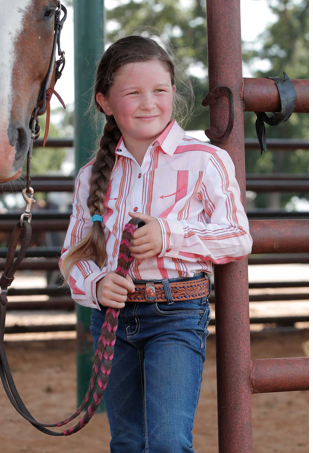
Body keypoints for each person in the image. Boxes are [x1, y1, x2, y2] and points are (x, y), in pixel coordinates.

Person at [59, 35, 253, 453]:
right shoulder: (91, 175)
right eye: (133, 93)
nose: (149, 102)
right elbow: (73, 255)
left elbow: (238, 236)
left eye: (160, 91)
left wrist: (170, 235)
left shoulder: (205, 160)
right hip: (112, 319)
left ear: (173, 94)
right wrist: (95, 285)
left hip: (177, 313)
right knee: (127, 440)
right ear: (105, 102)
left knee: (167, 440)